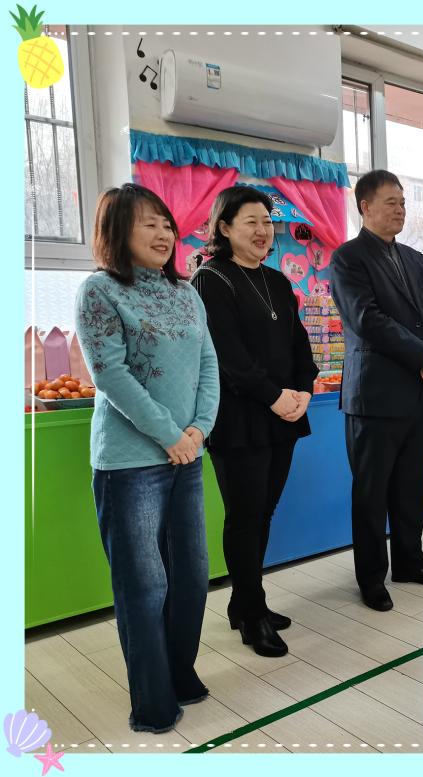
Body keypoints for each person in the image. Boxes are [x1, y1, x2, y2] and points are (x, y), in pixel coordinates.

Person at [74, 184, 219, 733]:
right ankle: (153, 702)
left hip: (186, 453)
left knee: (192, 575)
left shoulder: (185, 291)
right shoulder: (99, 290)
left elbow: (208, 363)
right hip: (130, 461)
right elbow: (110, 375)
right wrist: (170, 434)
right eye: (148, 224)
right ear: (116, 231)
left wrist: (199, 429)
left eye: (166, 223)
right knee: (145, 585)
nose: (163, 234)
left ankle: (180, 672)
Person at [191, 185, 319, 657]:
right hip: (239, 419)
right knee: (245, 517)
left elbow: (299, 345)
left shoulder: (278, 281)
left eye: (268, 221)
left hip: (283, 414)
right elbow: (227, 357)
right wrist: (275, 396)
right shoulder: (210, 279)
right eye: (252, 221)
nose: (263, 230)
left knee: (263, 512)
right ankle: (252, 614)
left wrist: (304, 390)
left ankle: (244, 602)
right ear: (224, 227)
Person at [330, 170, 423, 611]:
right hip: (375, 397)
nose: (400, 209)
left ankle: (409, 561)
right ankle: (371, 578)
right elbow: (368, 320)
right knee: (371, 493)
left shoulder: (414, 258)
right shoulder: (348, 258)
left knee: (411, 487)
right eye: (391, 202)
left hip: (419, 392)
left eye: (403, 202)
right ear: (365, 207)